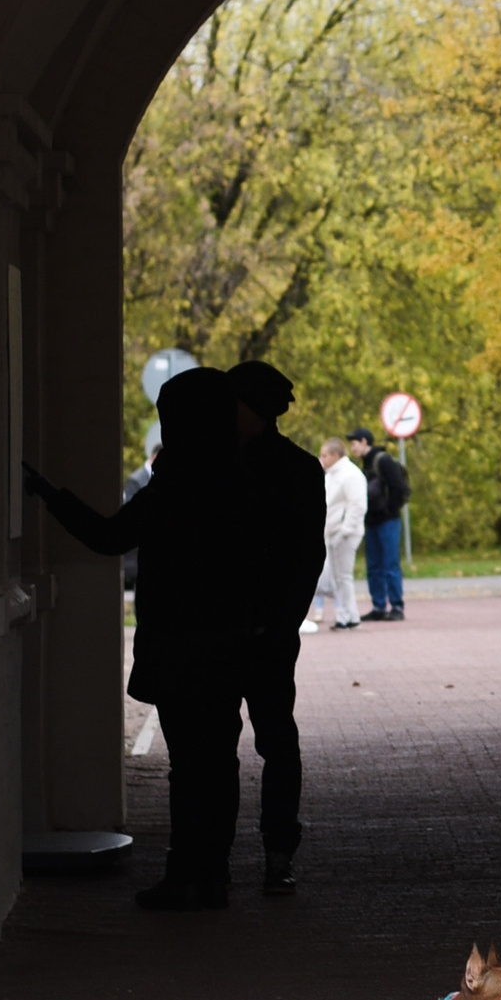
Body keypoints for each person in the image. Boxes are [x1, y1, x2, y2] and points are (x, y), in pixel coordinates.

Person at [27, 363, 254, 913]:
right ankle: (213, 873)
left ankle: (186, 875)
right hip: (228, 642)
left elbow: (108, 536)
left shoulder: (172, 485)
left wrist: (50, 495)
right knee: (219, 760)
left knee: (190, 765)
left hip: (178, 644)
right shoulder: (242, 480)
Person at [230, 362, 326, 896]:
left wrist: (279, 620)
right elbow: (309, 555)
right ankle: (276, 850)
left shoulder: (221, 469)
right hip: (264, 628)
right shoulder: (300, 467)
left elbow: (306, 555)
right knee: (276, 740)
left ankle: (250, 852)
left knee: (252, 743)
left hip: (248, 629)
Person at [307, 433, 368, 632]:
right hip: (332, 534)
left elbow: (357, 505)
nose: (321, 459)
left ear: (335, 455)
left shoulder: (349, 474)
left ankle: (348, 617)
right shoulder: (332, 475)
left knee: (343, 577)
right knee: (339, 578)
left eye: (324, 455)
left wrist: (345, 530)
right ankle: (347, 616)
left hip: (344, 535)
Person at [358, 424, 410, 620]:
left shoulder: (383, 460)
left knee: (390, 564)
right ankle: (379, 606)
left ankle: (397, 606)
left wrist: (390, 509)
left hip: (388, 520)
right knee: (373, 566)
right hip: (371, 521)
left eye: (354, 442)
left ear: (364, 442)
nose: (352, 447)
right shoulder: (365, 463)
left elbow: (397, 487)